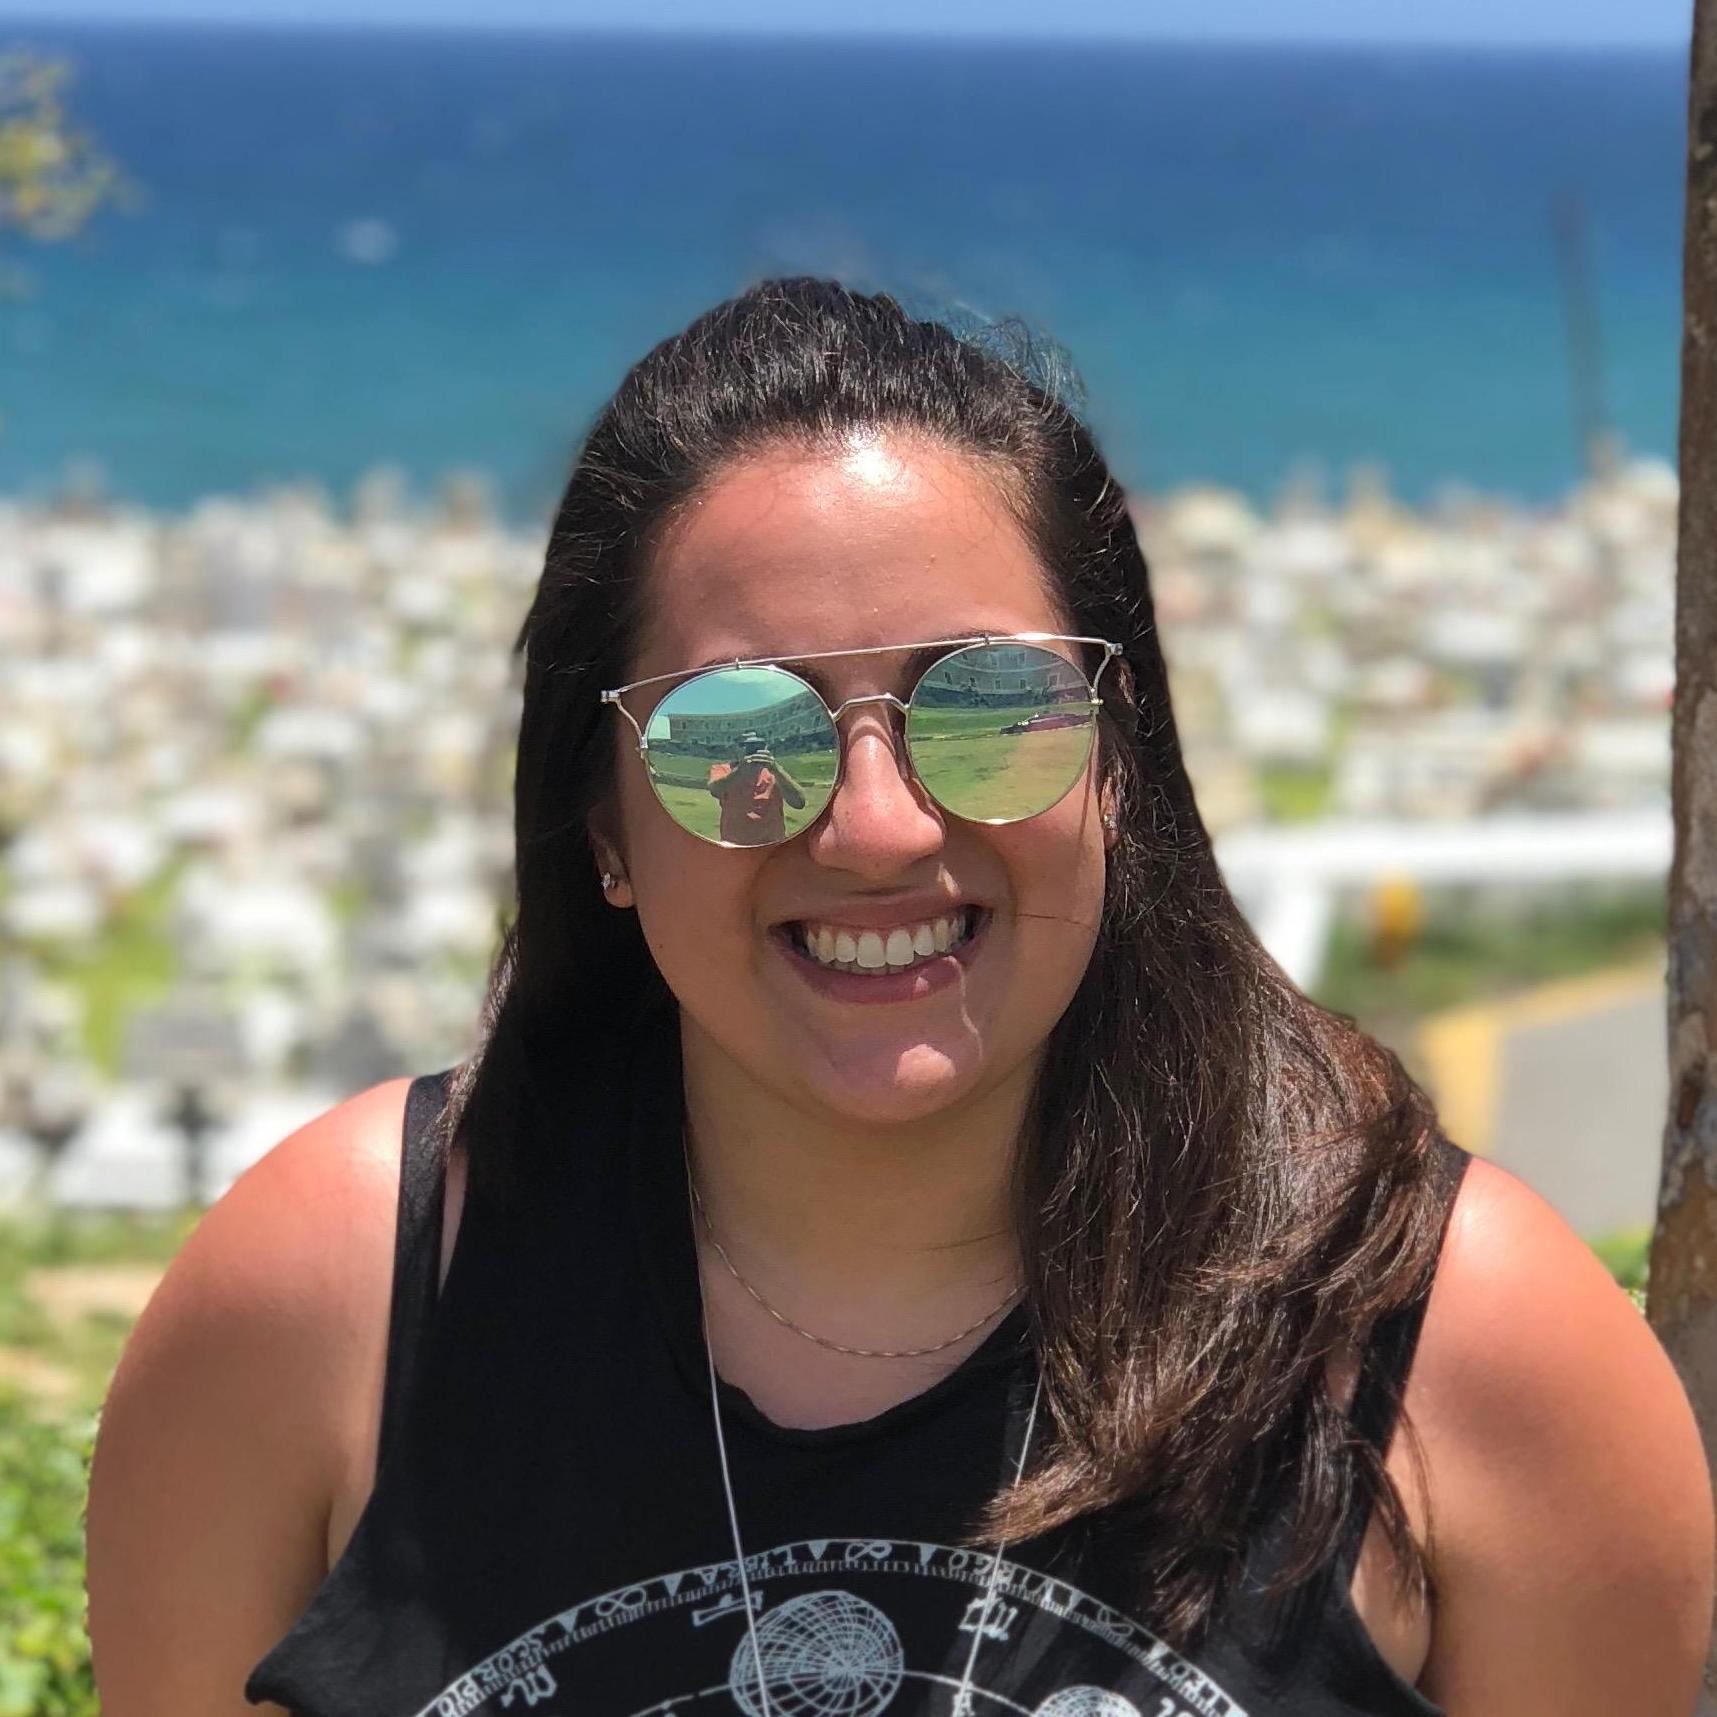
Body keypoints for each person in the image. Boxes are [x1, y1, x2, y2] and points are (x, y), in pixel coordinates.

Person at [86, 279, 1712, 1716]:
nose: (875, 825)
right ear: (605, 827)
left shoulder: (1462, 1350)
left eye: (988, 709)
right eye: (741, 734)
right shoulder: (327, 1305)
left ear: (1116, 768)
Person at [708, 731, 809, 846]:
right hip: (735, 845)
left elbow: (799, 803)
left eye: (758, 746)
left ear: (766, 748)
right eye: (744, 745)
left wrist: (776, 770)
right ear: (734, 749)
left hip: (772, 845)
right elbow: (715, 790)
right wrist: (740, 771)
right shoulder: (723, 770)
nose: (752, 750)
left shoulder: (775, 773)